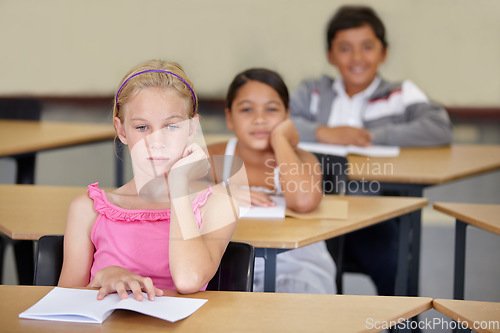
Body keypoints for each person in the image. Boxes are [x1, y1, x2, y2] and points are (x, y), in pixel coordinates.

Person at [289, 6, 453, 296]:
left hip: (374, 215)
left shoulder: (400, 94)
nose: (356, 58)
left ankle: (403, 325)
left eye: (367, 47)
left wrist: (371, 138)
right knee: (293, 263)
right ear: (330, 55)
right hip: (314, 210)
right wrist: (323, 133)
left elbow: (438, 126)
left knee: (393, 263)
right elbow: (281, 123)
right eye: (345, 49)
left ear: (383, 52)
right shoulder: (312, 91)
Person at [58, 60, 238, 300]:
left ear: (192, 128)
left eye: (172, 126)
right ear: (122, 131)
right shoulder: (87, 209)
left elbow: (188, 280)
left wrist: (178, 186)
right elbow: (63, 302)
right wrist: (105, 275)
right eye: (142, 127)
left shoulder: (218, 205)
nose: (156, 141)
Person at [208, 68, 336, 294]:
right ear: (229, 118)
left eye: (272, 109)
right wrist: (218, 191)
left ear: (287, 116)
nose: (259, 119)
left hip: (296, 269)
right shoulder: (216, 156)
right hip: (227, 268)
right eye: (247, 109)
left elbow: (304, 200)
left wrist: (280, 140)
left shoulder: (302, 159)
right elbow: (166, 187)